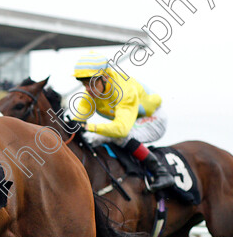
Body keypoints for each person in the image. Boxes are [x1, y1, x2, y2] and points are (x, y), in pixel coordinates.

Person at [68, 52, 176, 192]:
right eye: (84, 84)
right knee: (92, 139)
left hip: (154, 120)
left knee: (118, 136)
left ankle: (161, 172)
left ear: (105, 78)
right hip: (132, 122)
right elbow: (78, 121)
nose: (88, 89)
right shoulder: (90, 93)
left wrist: (88, 126)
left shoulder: (124, 90)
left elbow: (122, 129)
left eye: (91, 83)